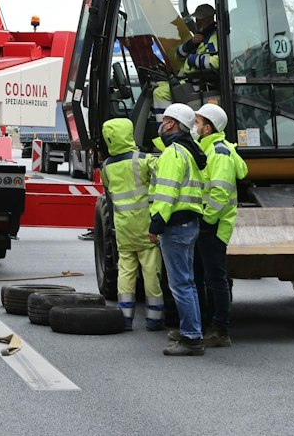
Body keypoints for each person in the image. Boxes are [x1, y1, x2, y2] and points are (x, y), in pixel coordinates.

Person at [147, 103, 209, 356]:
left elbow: (166, 193)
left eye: (164, 120)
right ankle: (192, 332)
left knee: (180, 284)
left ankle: (191, 338)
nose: (161, 125)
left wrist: (156, 224)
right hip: (189, 223)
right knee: (188, 282)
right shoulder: (189, 151)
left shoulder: (173, 153)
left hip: (175, 225)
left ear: (171, 124)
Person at [98, 118, 165, 332]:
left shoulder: (106, 167)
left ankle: (125, 317)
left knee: (125, 271)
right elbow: (162, 176)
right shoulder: (143, 160)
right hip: (145, 227)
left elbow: (108, 191)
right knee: (151, 272)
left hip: (123, 227)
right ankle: (154, 318)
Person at [193, 102, 246, 348]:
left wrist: (207, 220)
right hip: (207, 223)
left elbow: (220, 192)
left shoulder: (219, 153)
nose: (194, 126)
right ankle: (203, 327)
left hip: (213, 225)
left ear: (207, 128)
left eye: (197, 122)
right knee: (203, 277)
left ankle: (220, 331)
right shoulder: (208, 148)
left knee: (216, 280)